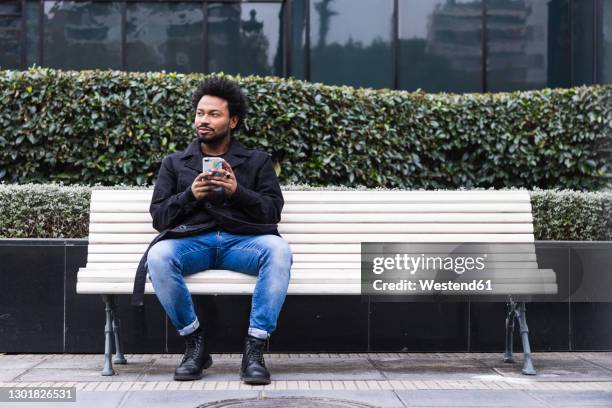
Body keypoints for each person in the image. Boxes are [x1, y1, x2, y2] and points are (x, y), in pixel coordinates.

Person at [131, 76, 292, 384]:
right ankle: (195, 345)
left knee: (278, 250)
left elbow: (273, 212)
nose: (203, 120)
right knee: (160, 254)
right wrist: (191, 195)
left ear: (233, 121)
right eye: (200, 113)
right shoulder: (176, 163)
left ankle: (254, 351)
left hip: (242, 245)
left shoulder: (257, 161)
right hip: (194, 244)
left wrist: (237, 191)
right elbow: (160, 217)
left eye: (213, 114)